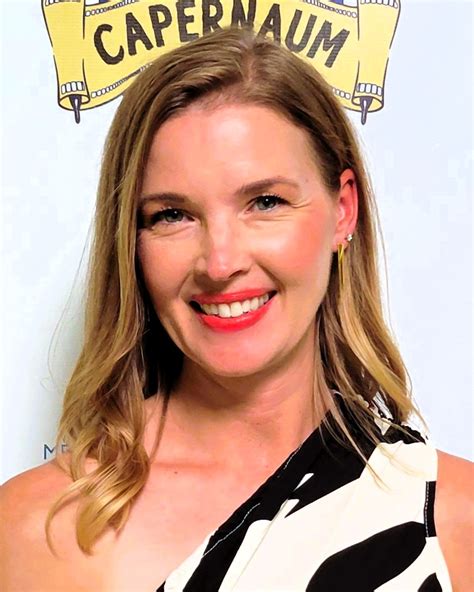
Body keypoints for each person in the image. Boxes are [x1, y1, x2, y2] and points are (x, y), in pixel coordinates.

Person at [0, 25, 472, 592]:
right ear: (132, 243)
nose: (220, 263)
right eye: (172, 215)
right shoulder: (37, 526)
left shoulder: (457, 520)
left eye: (265, 202)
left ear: (343, 210)